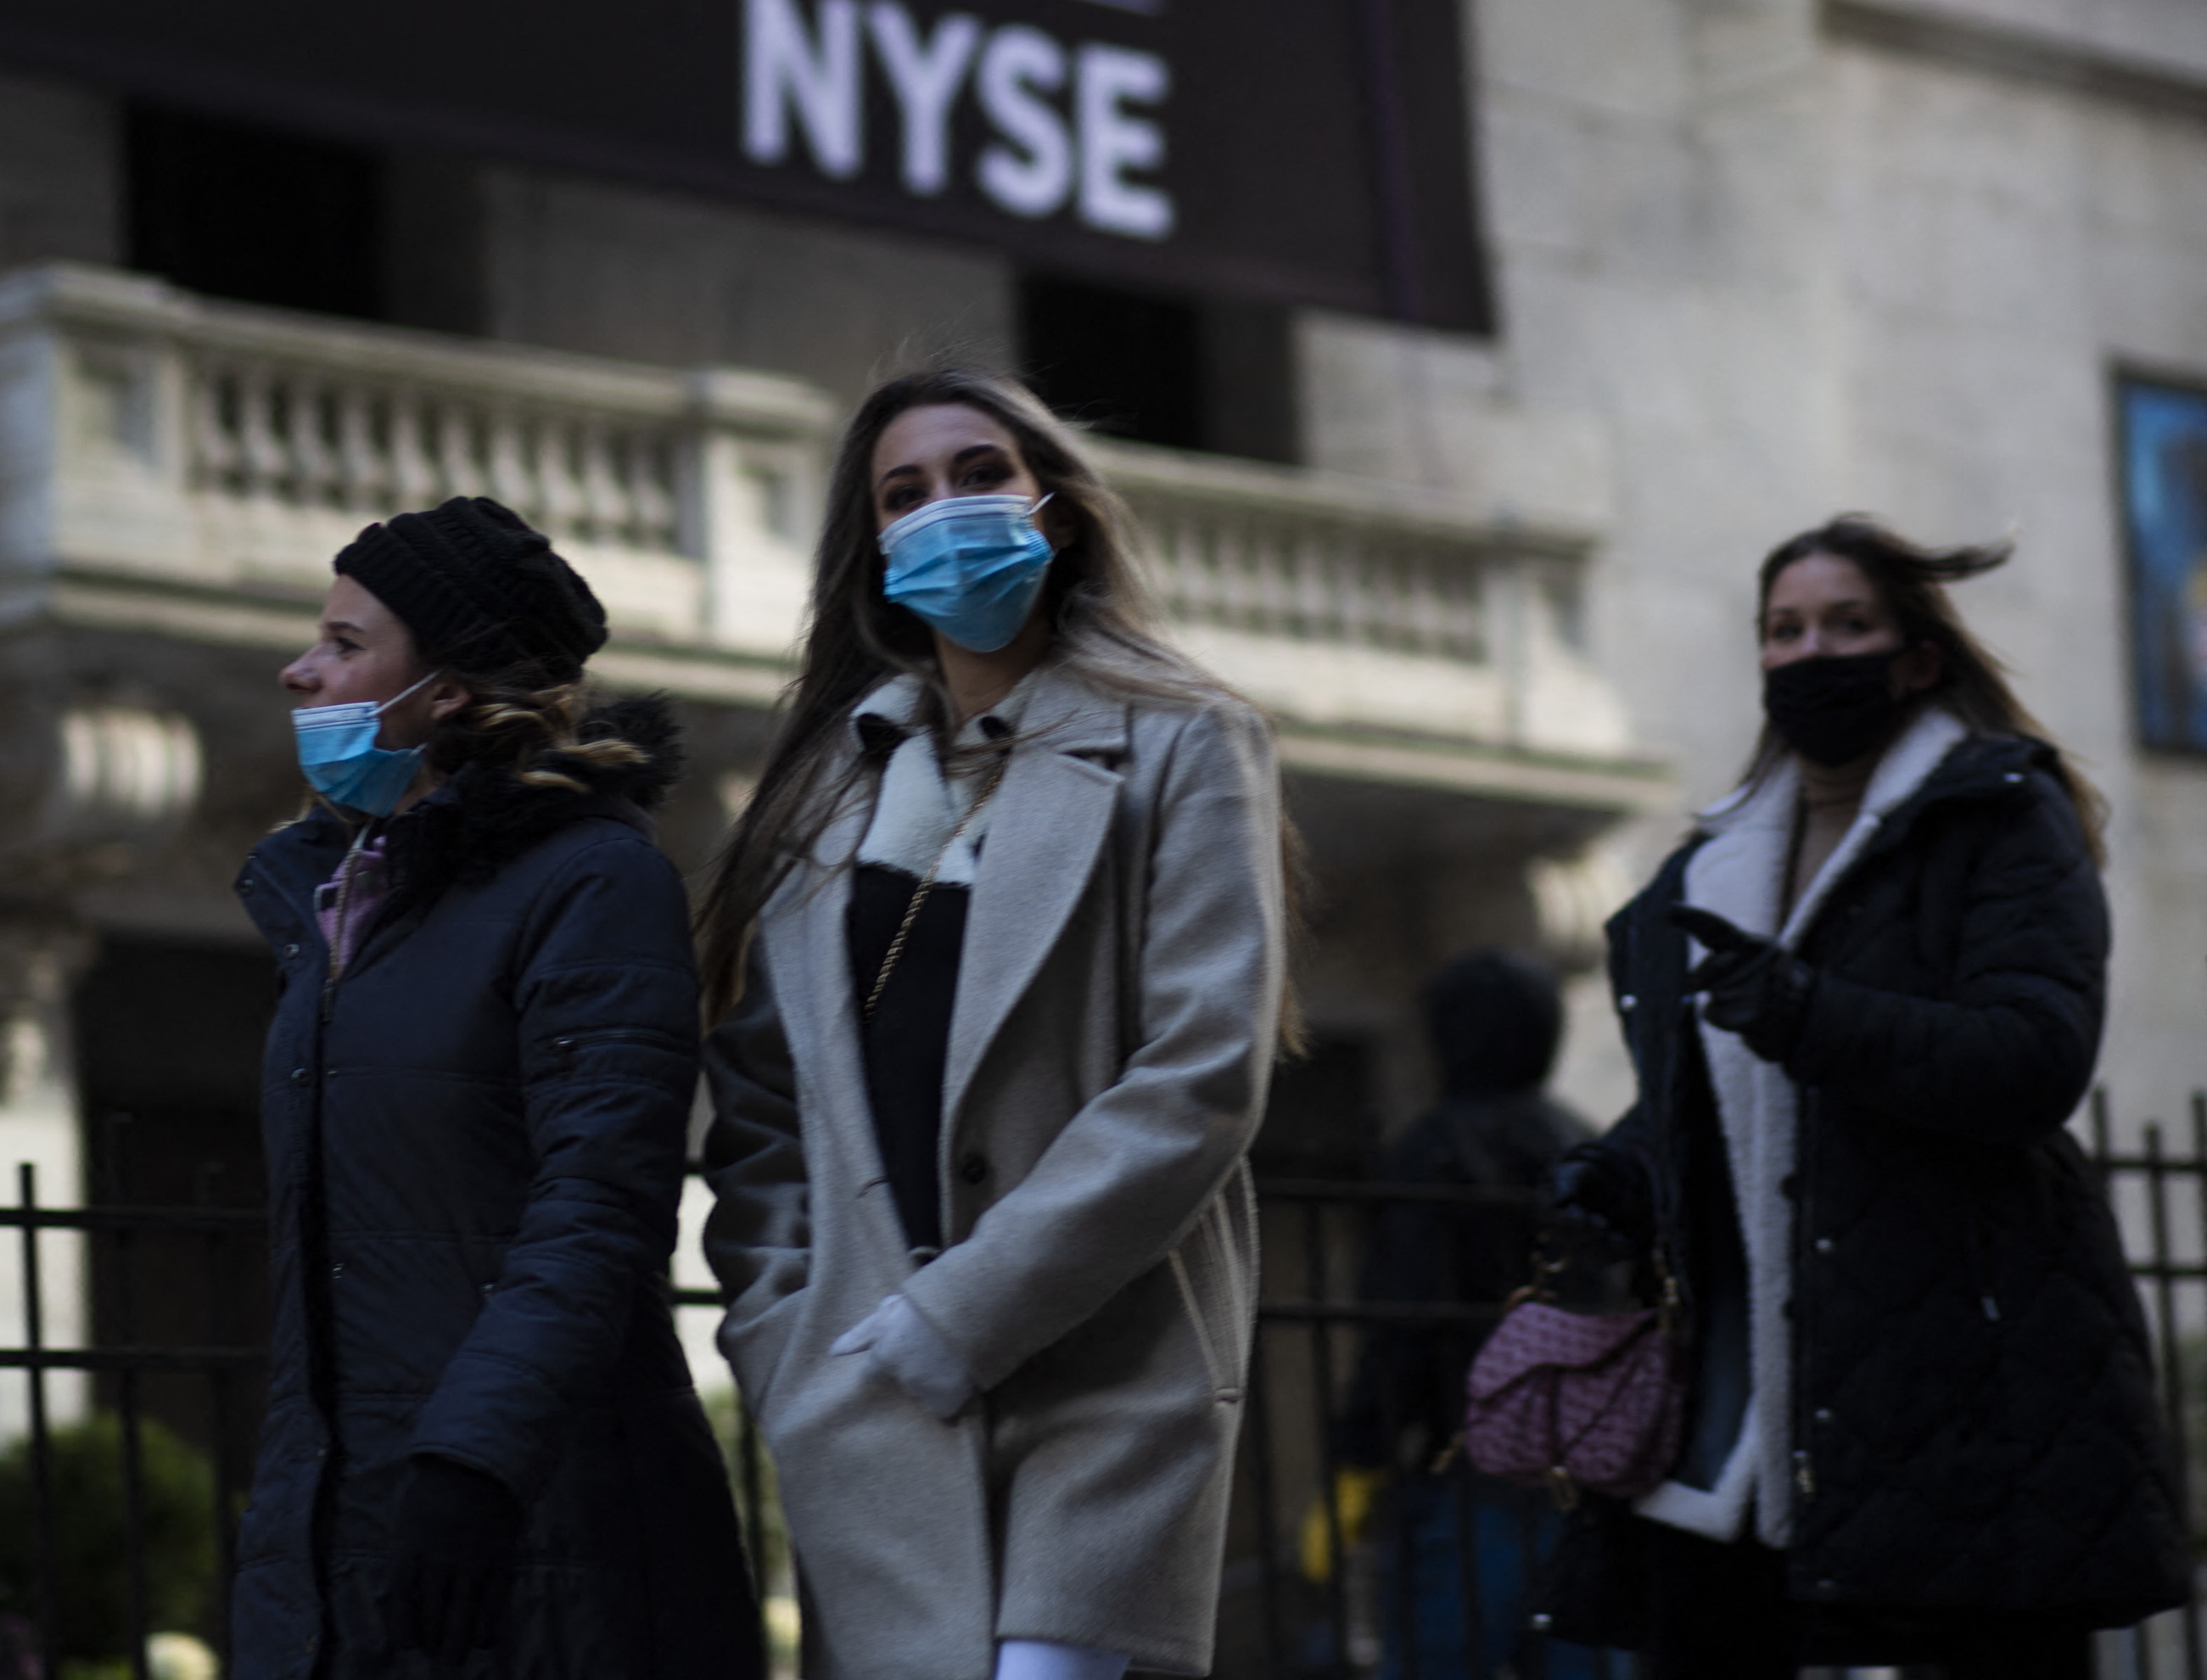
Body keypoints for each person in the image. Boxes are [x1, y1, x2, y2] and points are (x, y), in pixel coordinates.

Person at [697, 366, 1295, 1680]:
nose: (942, 511)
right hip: (869, 1401)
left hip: (1111, 1372)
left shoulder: (1189, 740)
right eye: (902, 493)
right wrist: (785, 1328)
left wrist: (959, 1312)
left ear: (1058, 510)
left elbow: (1200, 1072)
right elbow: (757, 1107)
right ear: (873, 542)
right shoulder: (818, 795)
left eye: (979, 475)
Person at [1541, 516, 2187, 1678]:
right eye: (1783, 630)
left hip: (1959, 1391)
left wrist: (1805, 1009)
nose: (1810, 651)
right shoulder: (1711, 861)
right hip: (1733, 1411)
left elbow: (2034, 1056)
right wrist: (1623, 1170)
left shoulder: (1995, 813)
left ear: (1918, 656)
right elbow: (1724, 1109)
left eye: (1848, 624)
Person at [231, 496, 762, 1680]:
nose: (298, 669)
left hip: (536, 1532)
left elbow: (597, 1206)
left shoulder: (591, 880)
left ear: (449, 690)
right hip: (340, 1538)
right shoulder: (338, 914)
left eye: (345, 642)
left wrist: (469, 1463)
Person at [1325, 950, 1611, 1680]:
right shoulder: (1578, 1137)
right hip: (1590, 1472)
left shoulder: (1434, 1146)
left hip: (1468, 1465)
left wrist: (1361, 1450)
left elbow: (1407, 1319)